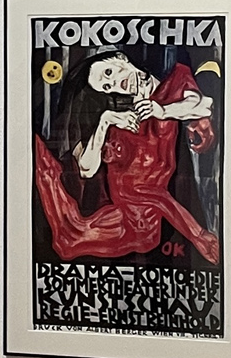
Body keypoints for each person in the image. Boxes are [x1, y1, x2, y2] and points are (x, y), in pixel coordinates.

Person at [34, 50, 221, 263]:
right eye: (107, 87)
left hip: (141, 215)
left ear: (120, 57)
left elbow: (202, 105)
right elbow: (86, 168)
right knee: (69, 241)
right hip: (128, 208)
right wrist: (105, 121)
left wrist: (161, 111)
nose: (114, 83)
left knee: (71, 240)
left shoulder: (174, 81)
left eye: (108, 72)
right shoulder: (123, 115)